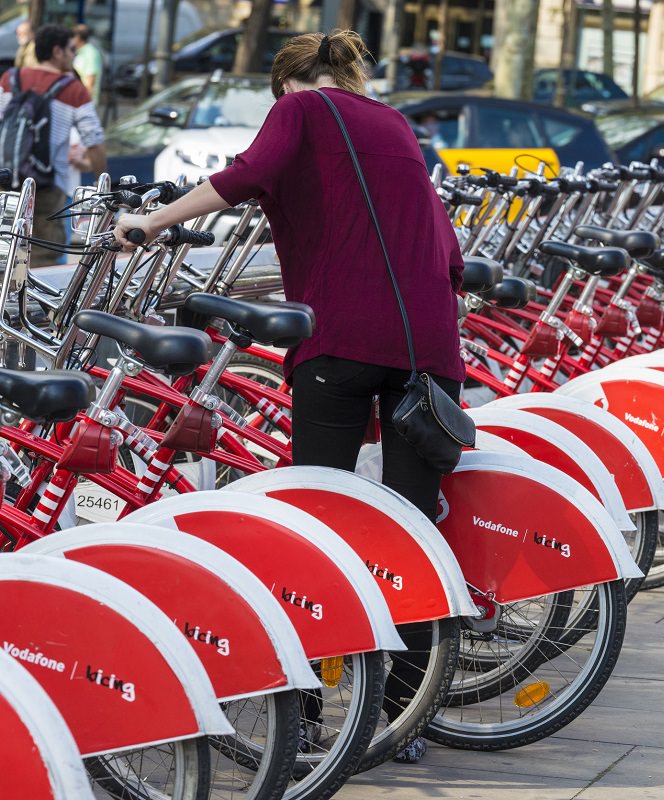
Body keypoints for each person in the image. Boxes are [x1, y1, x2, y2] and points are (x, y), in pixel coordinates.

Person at [113, 29, 464, 764]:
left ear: (285, 87)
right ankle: (405, 717)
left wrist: (150, 222)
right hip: (429, 350)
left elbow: (242, 178)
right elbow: (448, 252)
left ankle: (302, 717)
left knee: (319, 530)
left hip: (341, 340)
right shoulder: (395, 123)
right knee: (412, 529)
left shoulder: (301, 114)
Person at [0, 24, 107, 266]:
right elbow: (94, 140)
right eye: (71, 49)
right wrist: (102, 182)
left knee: (4, 249)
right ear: (57, 51)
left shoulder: (11, 78)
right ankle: (34, 302)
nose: (75, 55)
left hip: (5, 180)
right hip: (47, 186)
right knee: (43, 253)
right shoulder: (73, 89)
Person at [72, 24, 103, 101]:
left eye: (73, 37)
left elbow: (90, 82)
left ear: (78, 38)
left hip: (84, 102)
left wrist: (84, 102)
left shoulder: (90, 53)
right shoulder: (79, 52)